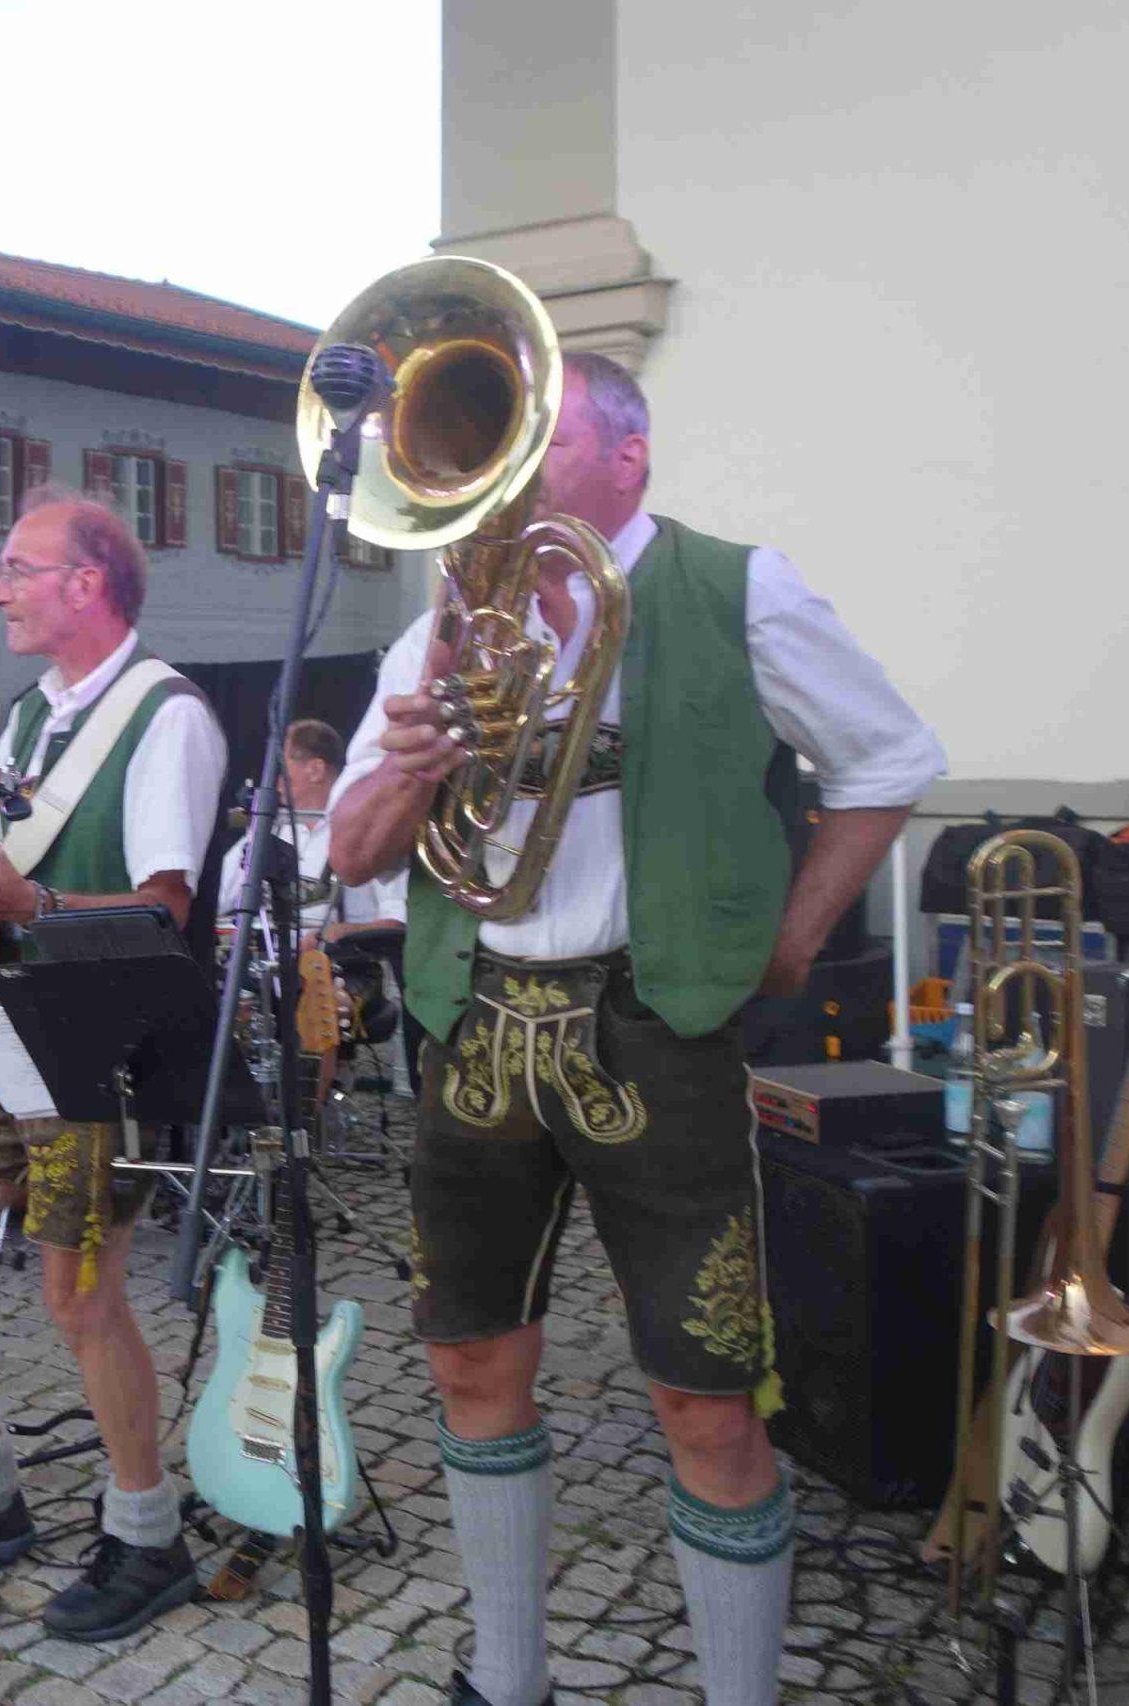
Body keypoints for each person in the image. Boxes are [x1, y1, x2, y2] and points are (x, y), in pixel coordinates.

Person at [328, 352, 945, 1706]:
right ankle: (507, 1676)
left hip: (653, 1026)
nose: (503, 477)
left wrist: (792, 935)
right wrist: (411, 766)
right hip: (476, 1024)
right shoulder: (442, 630)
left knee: (705, 1398)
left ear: (629, 456)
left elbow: (891, 757)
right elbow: (354, 848)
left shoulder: (735, 586)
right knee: (470, 1355)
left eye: (538, 442)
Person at [0, 488, 225, 1643]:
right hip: (0, 1025)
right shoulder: (28, 716)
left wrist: (29, 903)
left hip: (97, 1043)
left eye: (17, 570)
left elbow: (164, 913)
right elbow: (2, 868)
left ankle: (146, 1530)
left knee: (80, 1295)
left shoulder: (166, 715)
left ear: (87, 583)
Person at [218, 717, 413, 1084]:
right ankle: (245, 1104)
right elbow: (219, 899)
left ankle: (313, 1109)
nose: (273, 778)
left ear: (315, 770)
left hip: (343, 967)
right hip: (267, 968)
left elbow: (397, 920)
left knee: (315, 988)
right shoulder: (270, 829)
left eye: (282, 766)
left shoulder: (363, 832)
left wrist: (331, 935)